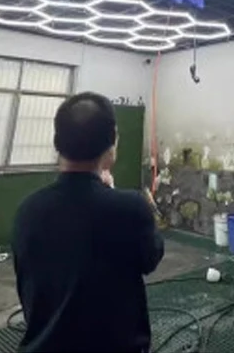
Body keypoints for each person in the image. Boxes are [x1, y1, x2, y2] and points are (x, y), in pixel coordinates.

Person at [12, 92, 164, 353]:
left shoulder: (28, 211)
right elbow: (150, 258)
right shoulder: (130, 207)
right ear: (112, 140)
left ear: (57, 142)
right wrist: (114, 195)